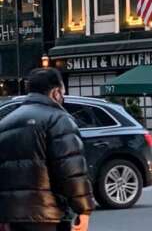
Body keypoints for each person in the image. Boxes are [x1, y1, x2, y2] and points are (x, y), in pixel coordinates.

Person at [0, 67, 95, 231]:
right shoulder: (59, 119)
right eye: (63, 92)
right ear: (56, 92)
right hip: (49, 214)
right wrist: (83, 209)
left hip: (11, 217)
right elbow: (71, 170)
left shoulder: (5, 123)